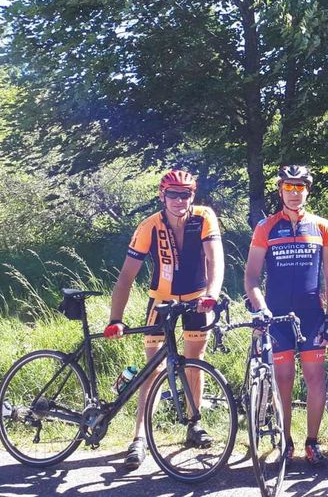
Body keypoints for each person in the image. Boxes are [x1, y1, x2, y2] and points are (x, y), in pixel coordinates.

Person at [104, 170, 224, 471]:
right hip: (161, 300)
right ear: (162, 196)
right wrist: (115, 318)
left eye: (185, 194)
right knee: (153, 368)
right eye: (173, 194)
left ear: (192, 196)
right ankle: (140, 437)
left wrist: (212, 293)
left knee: (195, 361)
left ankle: (194, 423)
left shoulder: (204, 217)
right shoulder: (149, 226)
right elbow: (126, 277)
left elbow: (215, 259)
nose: (179, 200)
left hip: (197, 298)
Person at [245, 165, 328, 465]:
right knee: (283, 379)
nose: (295, 193)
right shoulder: (266, 227)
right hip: (277, 317)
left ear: (308, 190)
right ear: (281, 190)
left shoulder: (322, 226)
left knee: (315, 378)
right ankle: (286, 442)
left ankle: (312, 443)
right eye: (289, 187)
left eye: (300, 188)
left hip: (312, 315)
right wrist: (261, 308)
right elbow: (250, 277)